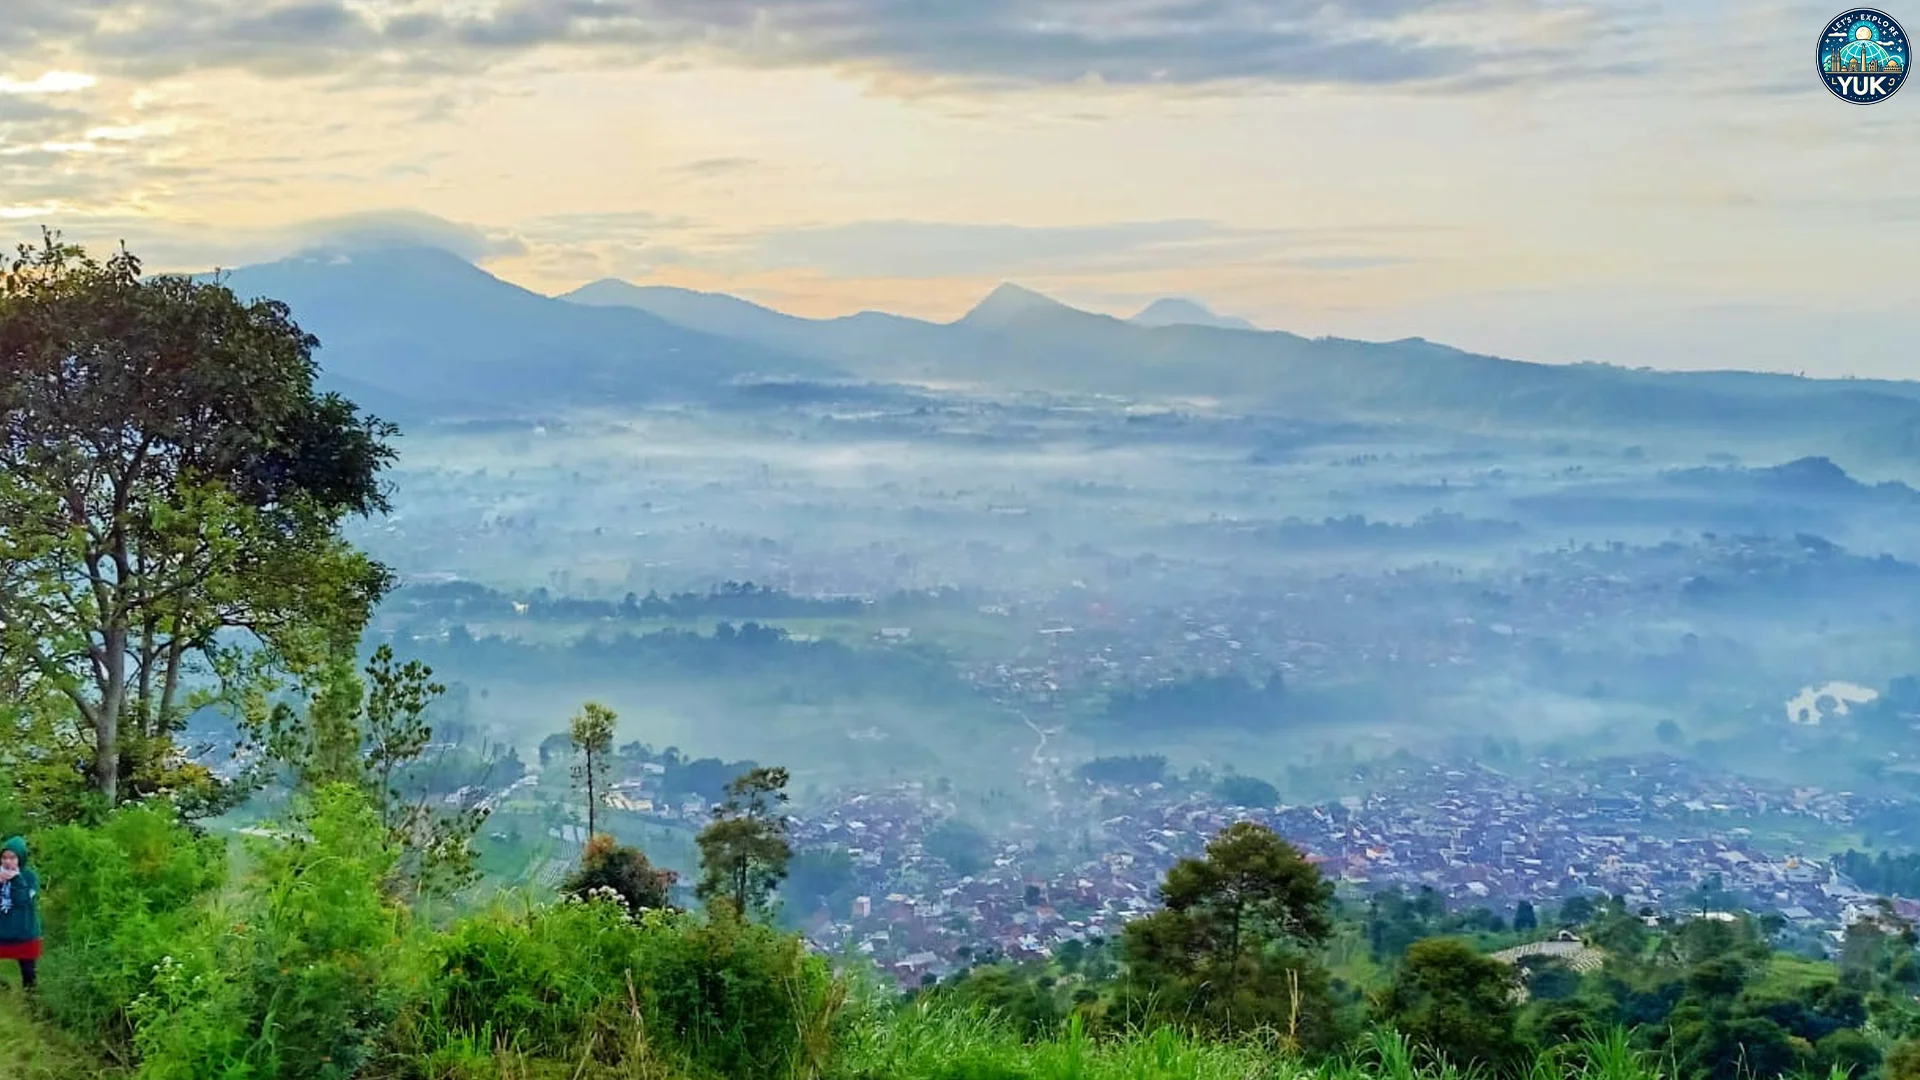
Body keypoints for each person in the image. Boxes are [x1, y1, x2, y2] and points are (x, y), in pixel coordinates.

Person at [0, 837, 41, 992]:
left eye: (12, 858)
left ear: (20, 858)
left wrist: (16, 879)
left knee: (29, 973)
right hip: (2, 929)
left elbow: (23, 901)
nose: (7, 862)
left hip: (24, 930)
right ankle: (4, 988)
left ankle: (30, 1000)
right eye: (4, 857)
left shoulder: (29, 877)